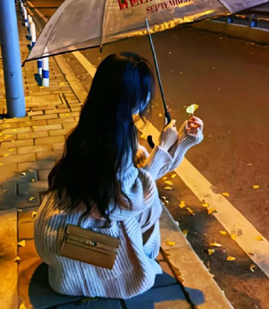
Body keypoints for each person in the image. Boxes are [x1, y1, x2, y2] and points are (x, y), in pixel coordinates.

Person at [34, 52, 204, 299]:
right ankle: (100, 273)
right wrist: (163, 147)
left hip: (57, 229)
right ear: (129, 96)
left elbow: (140, 176)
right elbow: (132, 197)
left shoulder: (97, 122)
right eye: (144, 92)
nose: (148, 98)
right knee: (150, 206)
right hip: (78, 239)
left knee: (147, 194)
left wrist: (184, 140)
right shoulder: (116, 141)